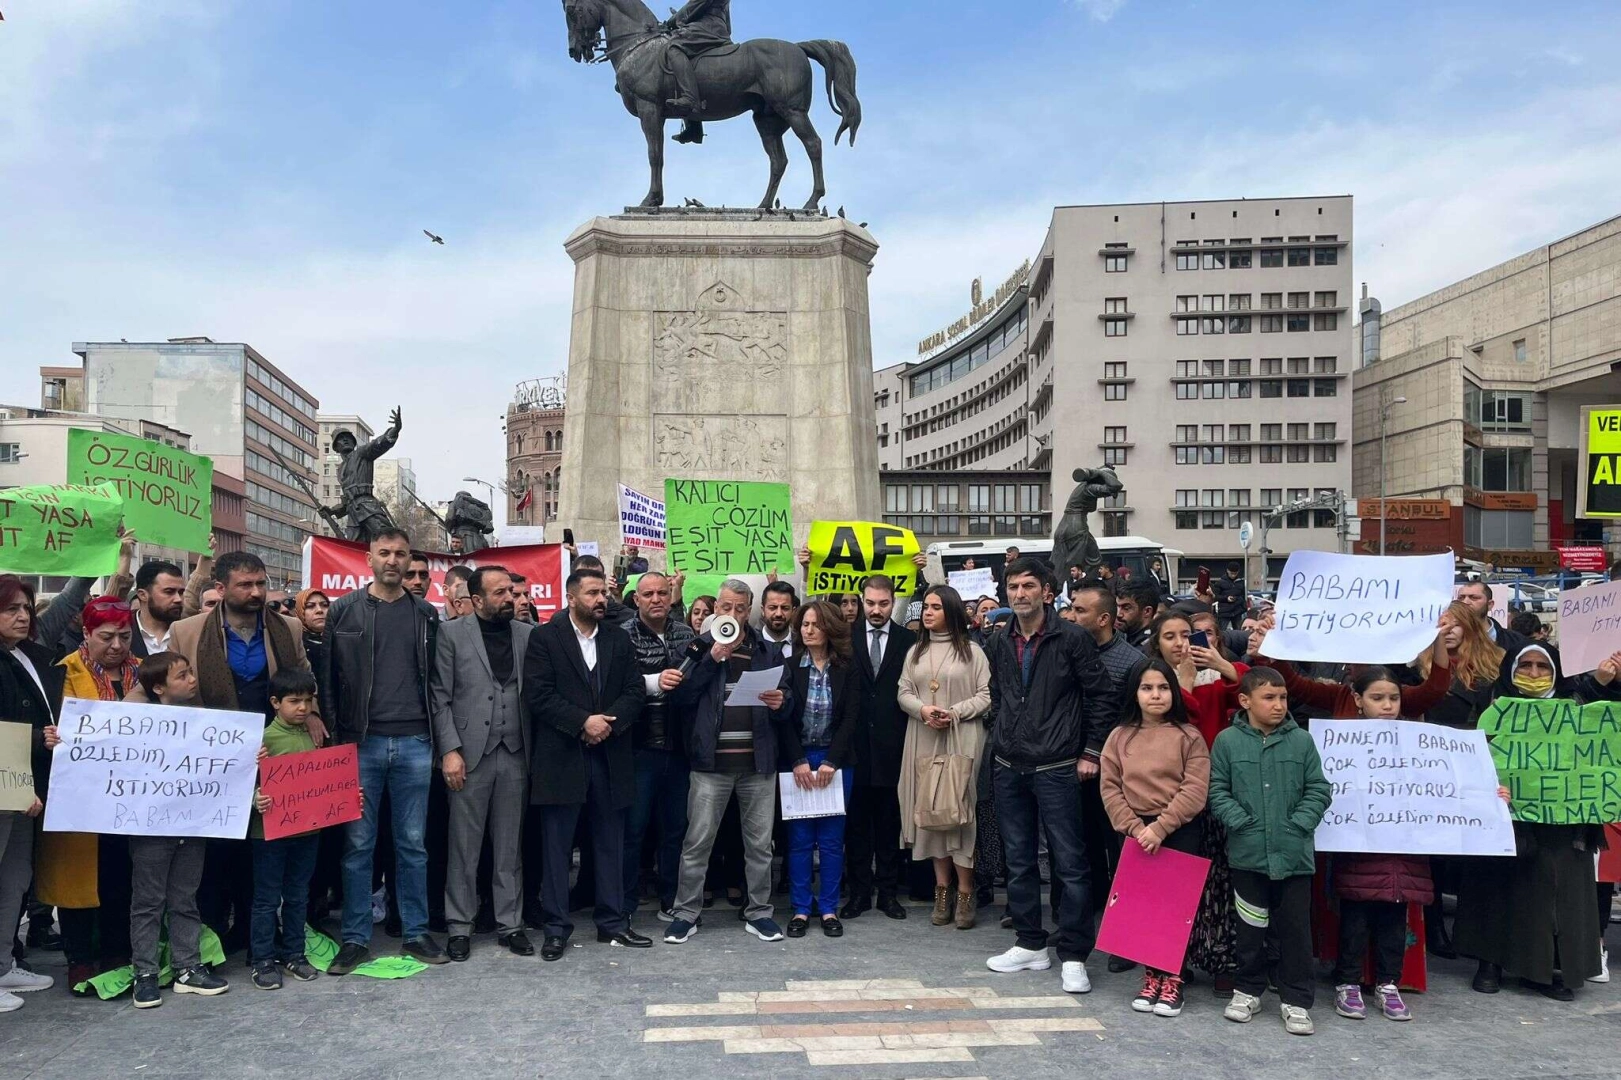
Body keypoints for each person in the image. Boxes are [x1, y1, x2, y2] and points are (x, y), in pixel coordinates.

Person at [982, 558, 1118, 992]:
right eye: (1013, 586)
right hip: (1009, 765)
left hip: (1058, 767)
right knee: (1018, 859)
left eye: (1028, 586)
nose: (1019, 593)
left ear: (1046, 591)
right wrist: (1000, 731)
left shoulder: (1072, 638)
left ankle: (1074, 954)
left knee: (1070, 863)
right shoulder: (999, 640)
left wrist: (1091, 751)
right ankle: (1029, 943)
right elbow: (999, 694)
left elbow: (1101, 696)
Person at [321, 529, 446, 973]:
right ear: (369, 559)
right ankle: (355, 938)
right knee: (358, 845)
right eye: (385, 553)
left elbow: (436, 682)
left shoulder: (426, 614)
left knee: (413, 844)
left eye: (401, 554)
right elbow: (329, 681)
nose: (393, 561)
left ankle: (415, 932)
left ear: (410, 560)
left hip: (415, 742)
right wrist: (337, 741)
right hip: (361, 743)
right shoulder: (344, 610)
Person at [1455, 644, 1603, 999]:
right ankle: (1490, 961)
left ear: (1556, 673)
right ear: (1511, 670)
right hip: (1504, 816)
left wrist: (1606, 681)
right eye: (1525, 665)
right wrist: (1488, 789)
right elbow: (1468, 759)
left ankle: (1546, 968)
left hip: (1561, 822)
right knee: (1497, 888)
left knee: (1554, 895)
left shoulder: (1577, 712)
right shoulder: (1492, 708)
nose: (1534, 674)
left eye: (1542, 666)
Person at [525, 567, 648, 960]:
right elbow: (538, 694)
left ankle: (612, 922)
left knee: (610, 844)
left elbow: (634, 691)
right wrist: (583, 722)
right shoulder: (545, 638)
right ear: (571, 597)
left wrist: (606, 724)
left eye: (603, 593)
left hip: (610, 757)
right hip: (562, 758)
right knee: (557, 849)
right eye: (592, 593)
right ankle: (556, 928)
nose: (601, 599)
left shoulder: (618, 638)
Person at [664, 579, 791, 945]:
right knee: (697, 843)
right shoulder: (696, 646)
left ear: (749, 611)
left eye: (739, 608)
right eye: (725, 607)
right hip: (710, 765)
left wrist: (782, 702)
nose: (732, 614)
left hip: (757, 765)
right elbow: (680, 697)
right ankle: (686, 913)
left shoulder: (767, 649)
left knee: (760, 846)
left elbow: (788, 699)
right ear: (716, 608)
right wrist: (711, 659)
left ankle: (759, 912)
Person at [1209, 667, 1332, 1036]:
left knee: (1295, 931)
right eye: (1269, 698)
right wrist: (1240, 822)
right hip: (1247, 856)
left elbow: (1319, 788)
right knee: (1250, 929)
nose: (1278, 705)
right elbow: (1217, 790)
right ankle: (1248, 990)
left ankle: (1296, 999)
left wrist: (1298, 824)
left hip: (1294, 857)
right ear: (1245, 701)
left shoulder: (1302, 742)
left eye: (1283, 698)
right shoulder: (1227, 742)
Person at [430, 567, 534, 961]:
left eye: (512, 591)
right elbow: (440, 696)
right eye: (501, 593)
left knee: (510, 847)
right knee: (463, 847)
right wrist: (450, 751)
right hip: (469, 755)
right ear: (476, 600)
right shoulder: (451, 634)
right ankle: (460, 926)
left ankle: (511, 924)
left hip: (516, 752)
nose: (511, 598)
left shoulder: (527, 635)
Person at [1099, 659, 1211, 1018]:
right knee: (1143, 908)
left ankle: (1173, 979)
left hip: (1178, 829)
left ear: (1174, 692)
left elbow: (1194, 789)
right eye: (1147, 688)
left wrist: (1161, 828)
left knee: (1175, 909)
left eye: (1163, 687)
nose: (1156, 695)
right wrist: (1135, 829)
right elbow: (1110, 787)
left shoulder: (1188, 737)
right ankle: (1151, 977)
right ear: (1135, 693)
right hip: (1135, 831)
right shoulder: (1119, 737)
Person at [1326, 667, 1435, 1022]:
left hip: (1404, 854)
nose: (1387, 705)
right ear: (1358, 700)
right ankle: (1348, 982)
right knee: (1355, 920)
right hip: (1359, 851)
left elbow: (1443, 787)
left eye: (1394, 698)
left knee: (1394, 921)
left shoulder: (1419, 743)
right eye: (1377, 698)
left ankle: (1388, 984)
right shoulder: (1341, 742)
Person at [123, 651, 228, 1005]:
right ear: (158, 688)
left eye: (190, 672)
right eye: (182, 676)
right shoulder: (135, 724)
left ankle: (187, 967)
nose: (192, 680)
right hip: (151, 829)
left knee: (185, 898)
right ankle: (145, 974)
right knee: (148, 901)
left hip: (192, 826)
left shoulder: (204, 722)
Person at [898, 585, 995, 930]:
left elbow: (987, 695)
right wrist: (923, 710)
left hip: (962, 736)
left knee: (959, 811)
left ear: (951, 611)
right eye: (926, 606)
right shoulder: (915, 651)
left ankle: (965, 891)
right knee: (931, 810)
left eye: (936, 607)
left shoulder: (973, 651)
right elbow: (903, 691)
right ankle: (942, 890)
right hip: (923, 734)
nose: (927, 612)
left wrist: (955, 712)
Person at [1068, 584, 1147, 950]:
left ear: (1103, 619)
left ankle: (1124, 935)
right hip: (1069, 765)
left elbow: (1135, 720)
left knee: (1120, 853)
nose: (1072, 617)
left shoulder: (1132, 662)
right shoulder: (1067, 650)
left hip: (1116, 774)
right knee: (1077, 850)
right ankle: (1080, 922)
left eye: (1080, 611)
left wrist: (1099, 753)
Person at [774, 601, 859, 938]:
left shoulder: (847, 667)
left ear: (830, 629)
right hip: (798, 759)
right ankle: (800, 908)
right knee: (799, 840)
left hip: (835, 762)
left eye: (815, 624)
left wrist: (831, 761)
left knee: (831, 840)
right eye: (804, 624)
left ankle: (828, 908)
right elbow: (782, 719)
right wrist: (797, 760)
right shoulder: (789, 666)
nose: (807, 630)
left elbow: (850, 718)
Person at [619, 572, 696, 926]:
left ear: (671, 595)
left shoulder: (686, 634)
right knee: (632, 832)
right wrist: (654, 682)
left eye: (662, 593)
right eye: (648, 594)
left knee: (675, 830)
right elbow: (614, 686)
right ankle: (624, 904)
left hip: (679, 748)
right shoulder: (622, 636)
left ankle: (671, 898)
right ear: (636, 599)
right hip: (638, 748)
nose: (656, 600)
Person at [842, 575, 917, 920]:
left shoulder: (909, 641)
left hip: (893, 746)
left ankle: (888, 894)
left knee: (889, 825)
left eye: (883, 604)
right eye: (870, 603)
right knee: (856, 826)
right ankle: (859, 893)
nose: (876, 610)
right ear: (862, 601)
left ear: (893, 602)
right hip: (854, 746)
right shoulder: (845, 637)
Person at [0, 576, 56, 1010]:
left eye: (25, 607)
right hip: (9, 783)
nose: (22, 616)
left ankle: (3, 963)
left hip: (21, 789)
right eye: (10, 609)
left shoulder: (27, 654)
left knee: (15, 876)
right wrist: (39, 740)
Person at [130, 560, 187, 659]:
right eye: (169, 592)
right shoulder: (123, 630)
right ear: (143, 595)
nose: (178, 599)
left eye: (181, 592)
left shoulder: (189, 631)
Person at [1115, 581, 1161, 652]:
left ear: (1147, 611)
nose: (1118, 614)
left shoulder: (1151, 648)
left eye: (1126, 608)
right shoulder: (1124, 638)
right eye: (1117, 606)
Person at [758, 581, 797, 662]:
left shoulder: (804, 645)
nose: (779, 614)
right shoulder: (751, 646)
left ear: (793, 611)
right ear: (762, 610)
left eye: (785, 608)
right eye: (772, 607)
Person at [1213, 563, 1247, 631]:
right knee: (1222, 631)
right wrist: (1226, 598)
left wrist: (1242, 606)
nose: (1233, 575)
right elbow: (1215, 596)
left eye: (1235, 573)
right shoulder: (1219, 583)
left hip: (1237, 611)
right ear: (1227, 571)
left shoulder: (1241, 582)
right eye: (1231, 573)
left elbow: (1243, 596)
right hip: (1224, 612)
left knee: (1239, 631)